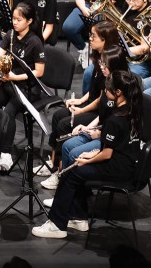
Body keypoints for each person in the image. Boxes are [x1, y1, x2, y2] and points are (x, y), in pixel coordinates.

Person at [32, 71, 144, 240]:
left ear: (118, 92)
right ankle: (78, 217)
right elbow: (117, 146)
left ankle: (57, 224)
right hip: (128, 162)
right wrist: (91, 155)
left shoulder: (114, 120)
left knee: (72, 172)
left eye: (108, 90)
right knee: (78, 169)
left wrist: (88, 159)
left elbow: (106, 154)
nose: (105, 93)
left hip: (118, 169)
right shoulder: (134, 110)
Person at [42, 29, 127, 189]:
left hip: (106, 136)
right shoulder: (107, 75)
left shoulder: (119, 90)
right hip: (101, 126)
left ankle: (62, 176)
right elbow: (102, 106)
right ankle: (55, 167)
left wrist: (96, 130)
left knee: (66, 130)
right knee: (59, 117)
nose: (101, 66)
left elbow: (114, 121)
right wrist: (87, 124)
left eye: (104, 64)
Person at [0, 2, 46, 172]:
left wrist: (16, 77)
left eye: (19, 19)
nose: (15, 22)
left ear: (29, 21)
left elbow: (39, 72)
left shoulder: (35, 42)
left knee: (8, 112)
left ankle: (6, 154)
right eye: (13, 19)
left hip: (27, 88)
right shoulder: (10, 35)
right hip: (9, 83)